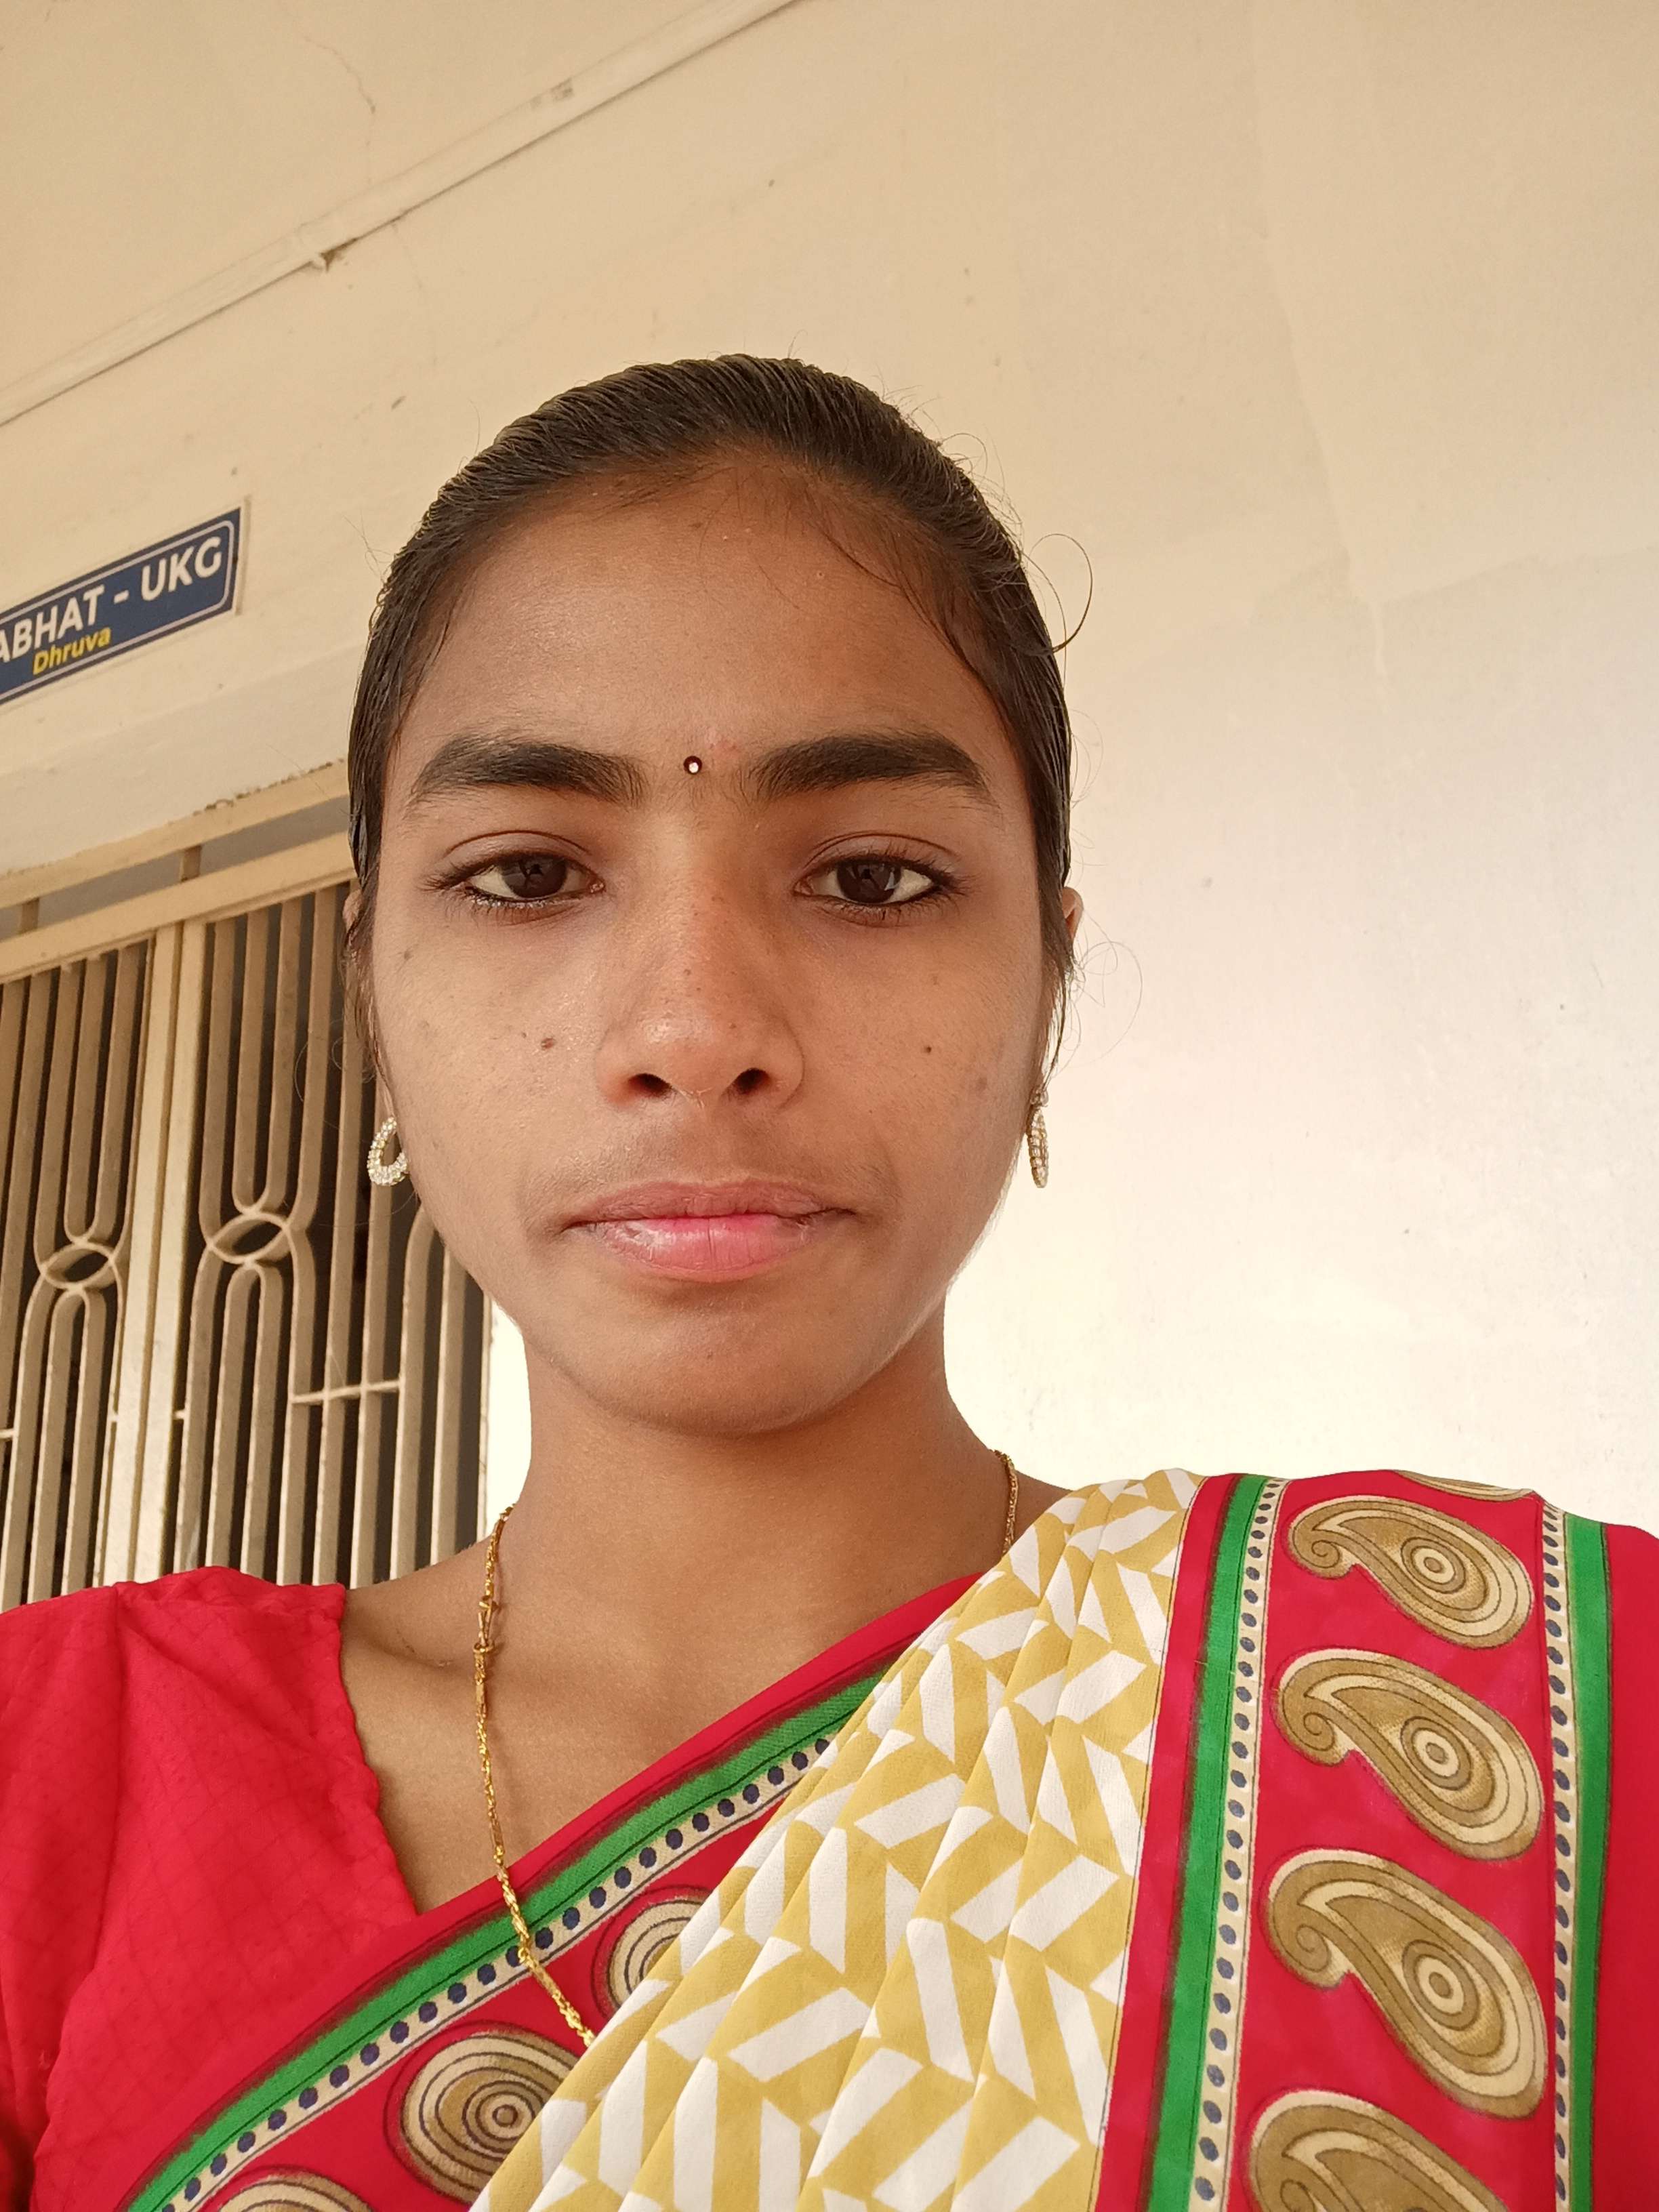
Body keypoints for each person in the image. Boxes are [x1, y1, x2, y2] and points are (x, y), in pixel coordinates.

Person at [0, 356, 1652, 2212]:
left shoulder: (1540, 1720)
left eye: (872, 879)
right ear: (372, 986)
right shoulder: (54, 1780)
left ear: (1046, 991)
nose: (696, 1030)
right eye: (528, 873)